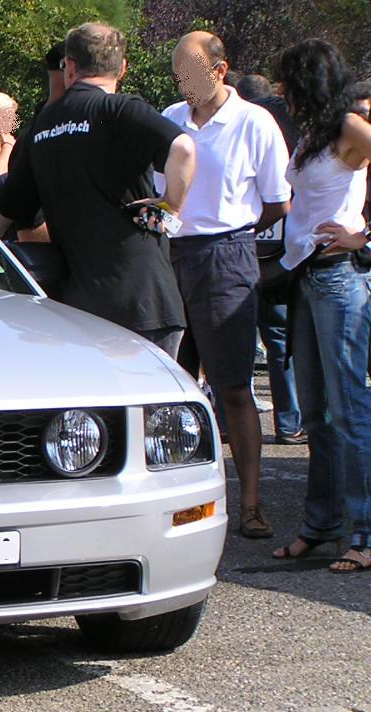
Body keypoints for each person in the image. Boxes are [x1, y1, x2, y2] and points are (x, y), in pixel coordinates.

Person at [0, 22, 196, 357]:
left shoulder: (41, 126)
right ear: (122, 68)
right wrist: (169, 207)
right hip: (142, 298)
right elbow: (183, 149)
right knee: (149, 406)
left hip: (81, 307)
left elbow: (5, 210)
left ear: (69, 66)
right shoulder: (121, 110)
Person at [162, 31, 291, 538]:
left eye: (192, 71)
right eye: (179, 73)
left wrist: (236, 235)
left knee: (234, 387)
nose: (185, 82)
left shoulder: (254, 122)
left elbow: (278, 201)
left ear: (220, 69)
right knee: (172, 386)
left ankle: (252, 504)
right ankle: (179, 506)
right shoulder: (171, 119)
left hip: (226, 254)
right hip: (172, 254)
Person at [271, 39, 371, 573]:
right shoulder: (314, 133)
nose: (282, 92)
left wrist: (364, 238)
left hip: (337, 279)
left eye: (288, 81)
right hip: (307, 279)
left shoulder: (352, 128)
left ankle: (365, 532)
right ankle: (322, 526)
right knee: (318, 413)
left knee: (350, 409)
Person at [238, 72, 305, 445]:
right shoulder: (288, 132)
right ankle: (290, 421)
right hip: (279, 254)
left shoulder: (245, 129)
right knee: (278, 336)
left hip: (239, 248)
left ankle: (232, 421)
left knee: (238, 339)